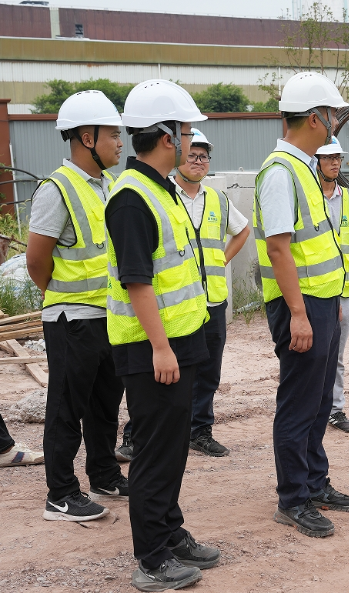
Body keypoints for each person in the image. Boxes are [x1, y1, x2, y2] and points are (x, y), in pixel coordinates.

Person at [109, 79, 222, 591]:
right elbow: (136, 281)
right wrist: (160, 346)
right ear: (165, 135)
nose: (190, 141)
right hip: (152, 348)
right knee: (155, 453)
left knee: (173, 449)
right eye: (186, 132)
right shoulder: (132, 198)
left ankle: (170, 533)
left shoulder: (162, 189)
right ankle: (152, 558)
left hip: (181, 341)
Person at [254, 72, 349, 539]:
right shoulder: (281, 171)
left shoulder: (304, 168)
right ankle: (293, 498)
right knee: (299, 404)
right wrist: (299, 314)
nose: (336, 122)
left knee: (318, 401)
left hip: (321, 303)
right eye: (332, 114)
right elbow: (279, 249)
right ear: (315, 118)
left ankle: (315, 483)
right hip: (300, 307)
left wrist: (330, 302)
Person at [25, 90, 127, 523]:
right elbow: (36, 260)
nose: (120, 142)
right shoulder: (57, 189)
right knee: (67, 405)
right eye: (113, 134)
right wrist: (62, 294)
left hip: (108, 315)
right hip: (72, 318)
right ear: (87, 138)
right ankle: (61, 494)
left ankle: (103, 474)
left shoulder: (109, 185)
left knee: (105, 403)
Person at [172, 128, 250, 456]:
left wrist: (221, 259)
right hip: (176, 303)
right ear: (177, 157)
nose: (198, 161)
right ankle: (147, 433)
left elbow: (242, 230)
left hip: (213, 300)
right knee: (168, 371)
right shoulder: (164, 195)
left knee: (208, 372)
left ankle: (200, 431)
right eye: (191, 155)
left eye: (203, 156)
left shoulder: (217, 199)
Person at [315, 141, 349, 434]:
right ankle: (312, 406)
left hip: (344, 289)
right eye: (329, 158)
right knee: (315, 354)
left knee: (337, 355)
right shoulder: (307, 198)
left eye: (337, 158)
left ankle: (335, 410)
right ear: (316, 161)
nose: (335, 163)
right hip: (316, 288)